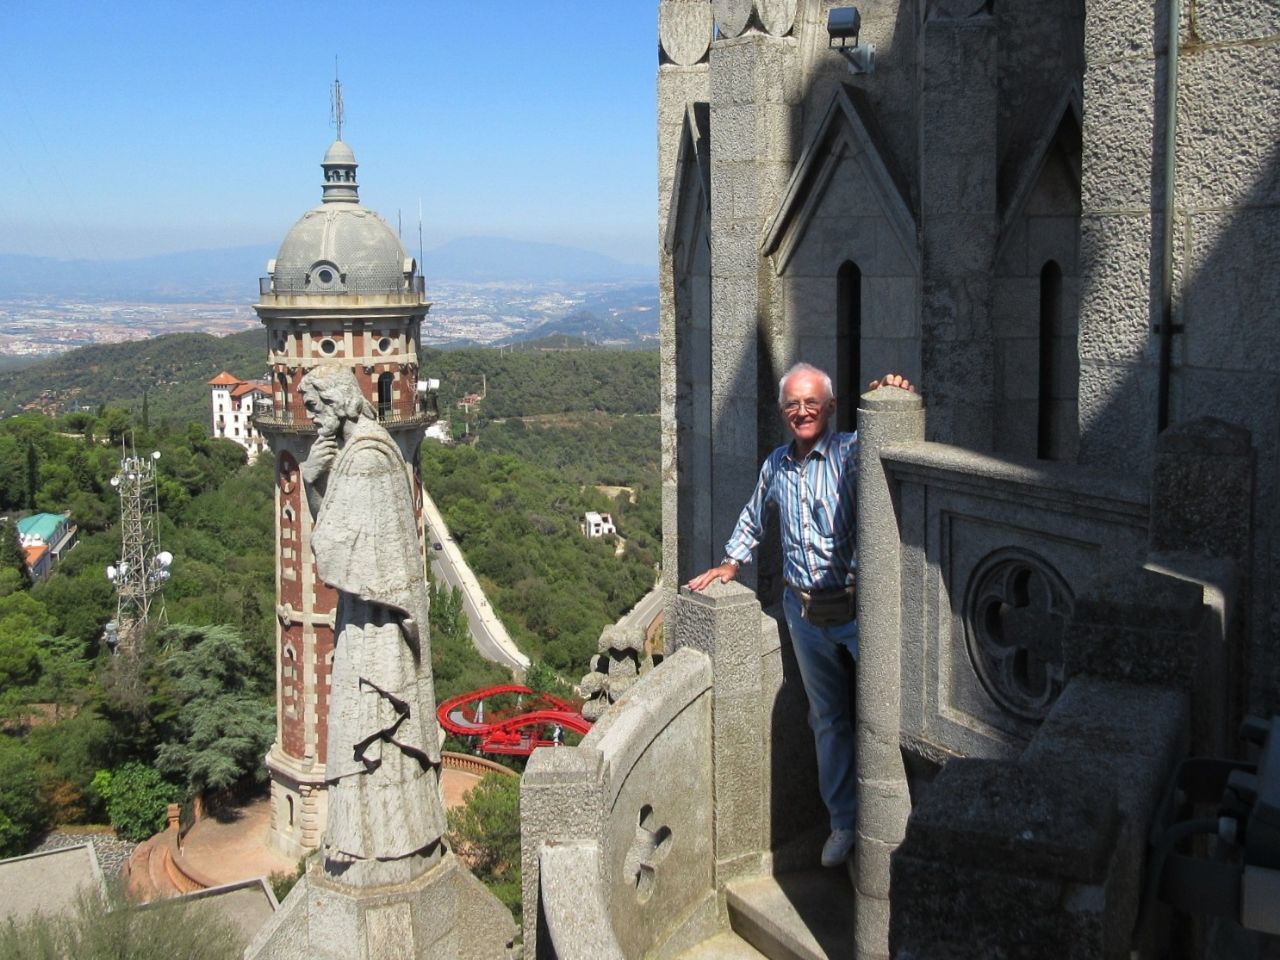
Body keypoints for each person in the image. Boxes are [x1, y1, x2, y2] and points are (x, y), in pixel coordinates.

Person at [687, 363, 913, 868]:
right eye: (793, 404)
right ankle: (843, 822)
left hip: (859, 610)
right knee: (827, 720)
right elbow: (754, 515)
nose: (802, 411)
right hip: (803, 613)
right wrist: (730, 561)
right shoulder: (776, 465)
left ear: (831, 407)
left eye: (812, 402)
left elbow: (888, 449)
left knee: (886, 716)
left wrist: (887, 396)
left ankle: (896, 823)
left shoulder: (851, 455)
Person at [299, 365, 445, 884]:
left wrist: (309, 480)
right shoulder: (368, 450)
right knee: (371, 730)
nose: (309, 417)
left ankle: (383, 844)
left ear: (338, 401)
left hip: (374, 626)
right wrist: (316, 478)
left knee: (372, 725)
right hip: (367, 615)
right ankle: (377, 838)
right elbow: (340, 532)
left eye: (314, 406)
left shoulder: (365, 457)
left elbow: (333, 549)